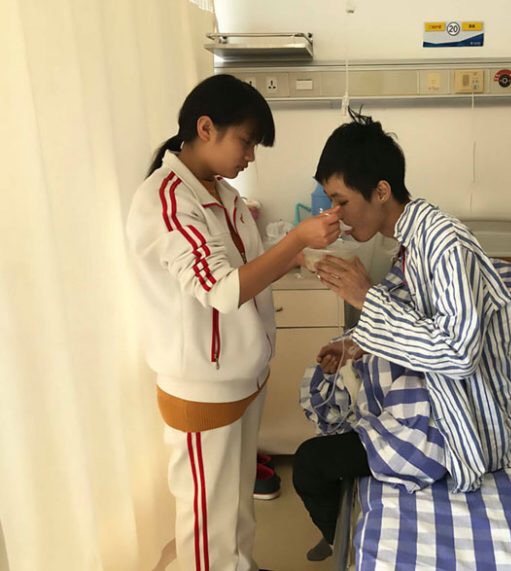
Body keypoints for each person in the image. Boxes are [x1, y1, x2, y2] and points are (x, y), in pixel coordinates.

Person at [292, 110, 511, 561]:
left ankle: (340, 539)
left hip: (483, 409)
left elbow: (459, 354)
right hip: (451, 381)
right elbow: (415, 313)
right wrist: (357, 342)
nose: (335, 216)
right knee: (350, 383)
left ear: (381, 191)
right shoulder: (411, 238)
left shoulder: (442, 242)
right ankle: (341, 522)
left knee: (310, 464)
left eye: (341, 201)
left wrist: (367, 298)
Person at [125, 74, 340, 571]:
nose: (250, 156)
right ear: (206, 128)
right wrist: (298, 240)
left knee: (236, 506)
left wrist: (300, 259)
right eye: (246, 141)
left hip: (243, 376)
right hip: (203, 388)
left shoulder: (223, 194)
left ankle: (241, 564)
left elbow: (248, 267)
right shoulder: (168, 202)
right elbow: (223, 290)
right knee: (208, 521)